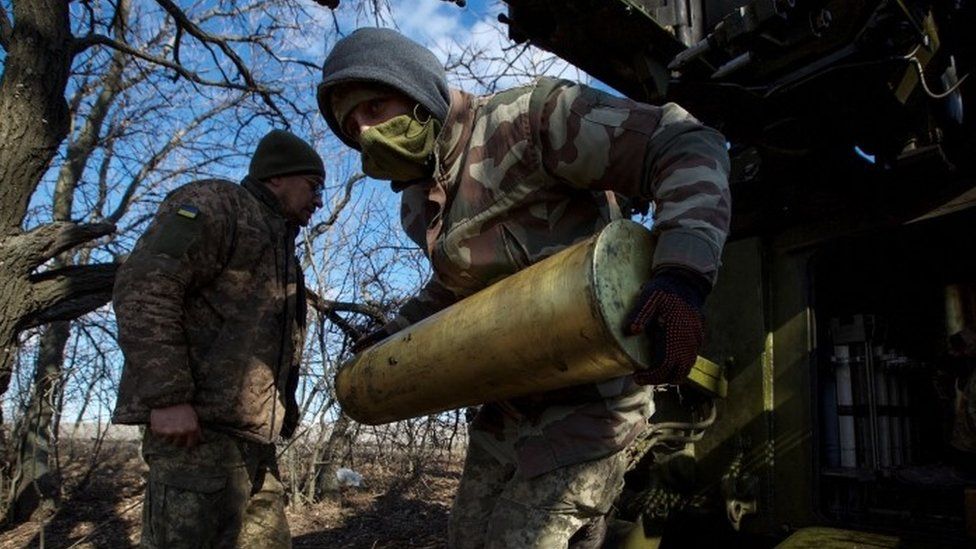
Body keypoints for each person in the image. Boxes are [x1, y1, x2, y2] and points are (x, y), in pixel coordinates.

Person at [317, 27, 731, 548]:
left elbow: (684, 144)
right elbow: (457, 288)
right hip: (506, 408)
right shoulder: (417, 204)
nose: (365, 131)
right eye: (352, 125)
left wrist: (682, 275)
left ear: (419, 92)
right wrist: (393, 334)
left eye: (374, 106)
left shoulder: (529, 119)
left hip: (593, 400)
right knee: (466, 538)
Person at [112, 129, 325, 548]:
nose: (318, 200)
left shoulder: (280, 245)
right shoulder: (217, 205)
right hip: (194, 441)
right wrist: (169, 396)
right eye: (313, 186)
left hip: (254, 452)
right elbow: (145, 283)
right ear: (277, 177)